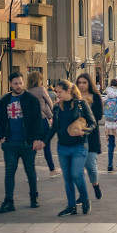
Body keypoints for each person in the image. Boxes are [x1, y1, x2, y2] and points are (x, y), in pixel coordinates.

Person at [0, 72, 45, 213]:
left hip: (27, 142)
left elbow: (37, 120)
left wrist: (36, 138)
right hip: (10, 143)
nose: (18, 86)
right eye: (16, 83)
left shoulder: (31, 99)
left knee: (30, 170)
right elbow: (1, 120)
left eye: (21, 83)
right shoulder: (5, 100)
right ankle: (9, 201)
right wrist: (2, 137)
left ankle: (34, 197)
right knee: (9, 172)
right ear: (10, 84)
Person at [45, 80, 96, 216]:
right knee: (67, 177)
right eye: (56, 92)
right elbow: (54, 127)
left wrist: (84, 132)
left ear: (68, 91)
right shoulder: (57, 107)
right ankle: (71, 206)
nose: (57, 95)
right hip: (63, 147)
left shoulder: (81, 104)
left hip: (79, 146)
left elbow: (93, 123)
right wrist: (44, 142)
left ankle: (85, 199)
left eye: (59, 92)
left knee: (76, 174)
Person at [27, 71, 60, 178]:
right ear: (38, 79)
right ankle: (52, 170)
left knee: (32, 148)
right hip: (42, 121)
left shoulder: (28, 91)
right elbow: (49, 103)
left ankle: (32, 174)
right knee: (46, 145)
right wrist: (52, 115)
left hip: (32, 122)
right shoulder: (41, 89)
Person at [76, 73, 104, 199]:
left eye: (84, 82)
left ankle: (96, 185)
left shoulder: (96, 97)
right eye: (79, 83)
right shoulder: (74, 97)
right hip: (77, 135)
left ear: (89, 83)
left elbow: (98, 116)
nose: (81, 85)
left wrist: (86, 112)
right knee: (78, 168)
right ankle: (82, 194)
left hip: (91, 134)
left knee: (90, 165)